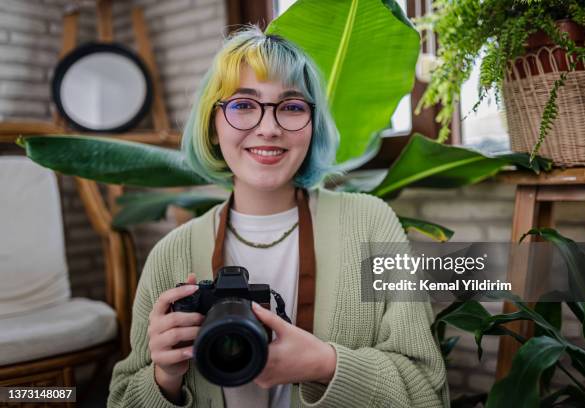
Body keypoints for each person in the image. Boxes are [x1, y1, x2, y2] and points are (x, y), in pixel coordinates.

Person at [108, 25, 450, 408]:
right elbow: (122, 399)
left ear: (311, 124)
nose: (268, 128)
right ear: (213, 125)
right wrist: (164, 377)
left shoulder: (371, 223)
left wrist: (325, 364)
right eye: (242, 105)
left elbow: (427, 391)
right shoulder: (172, 253)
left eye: (290, 107)